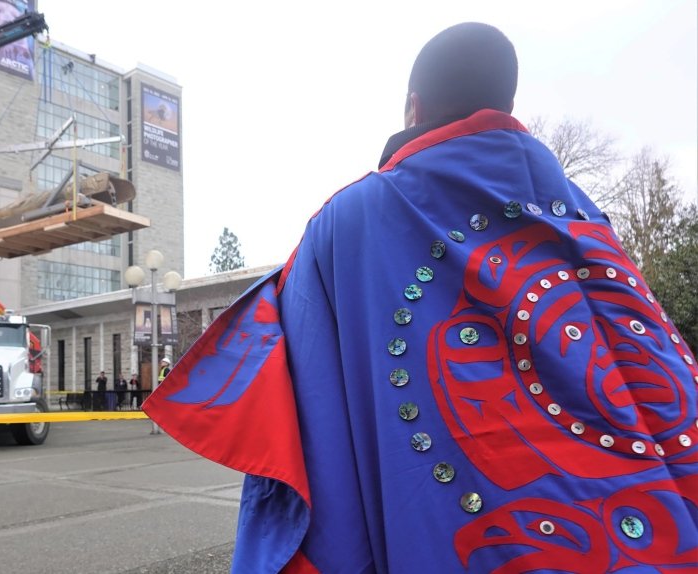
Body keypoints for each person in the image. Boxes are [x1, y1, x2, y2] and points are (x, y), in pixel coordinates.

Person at [144, 23, 697, 573]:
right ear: (507, 102)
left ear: (414, 108)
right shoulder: (588, 221)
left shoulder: (352, 221)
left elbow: (303, 405)